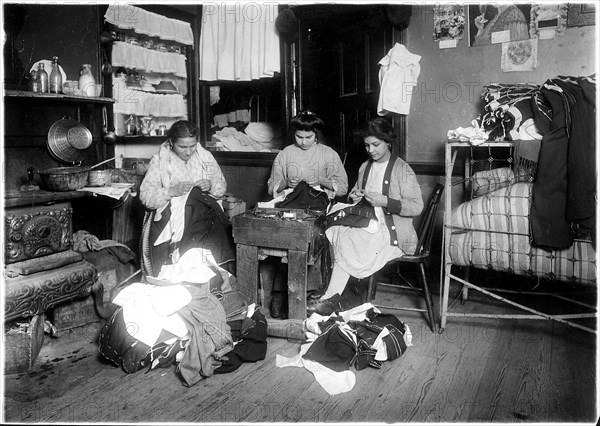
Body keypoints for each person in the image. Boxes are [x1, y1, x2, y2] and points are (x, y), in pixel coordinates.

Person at [307, 117, 424, 315]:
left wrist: (385, 201)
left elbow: (417, 206)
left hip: (392, 231)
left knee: (351, 237)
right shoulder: (365, 166)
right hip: (370, 222)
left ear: (388, 141)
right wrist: (355, 195)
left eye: (376, 145)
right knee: (335, 228)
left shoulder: (402, 170)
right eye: (367, 145)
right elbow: (358, 193)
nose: (371, 150)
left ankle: (331, 296)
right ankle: (331, 292)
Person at [264, 109, 349, 318]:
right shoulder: (285, 154)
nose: (303, 141)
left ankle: (311, 293)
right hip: (291, 205)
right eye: (299, 137)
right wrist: (286, 183)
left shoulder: (329, 154)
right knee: (285, 236)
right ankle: (281, 293)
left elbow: (344, 188)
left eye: (308, 137)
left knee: (311, 238)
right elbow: (271, 186)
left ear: (316, 134)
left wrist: (322, 180)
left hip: (316, 207)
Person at [140, 120, 235, 274]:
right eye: (182, 147)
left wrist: (210, 185)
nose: (189, 152)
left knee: (212, 222)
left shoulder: (205, 157)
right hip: (172, 218)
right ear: (171, 142)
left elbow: (221, 185)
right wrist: (170, 191)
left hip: (204, 214)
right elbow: (146, 197)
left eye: (192, 146)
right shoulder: (160, 160)